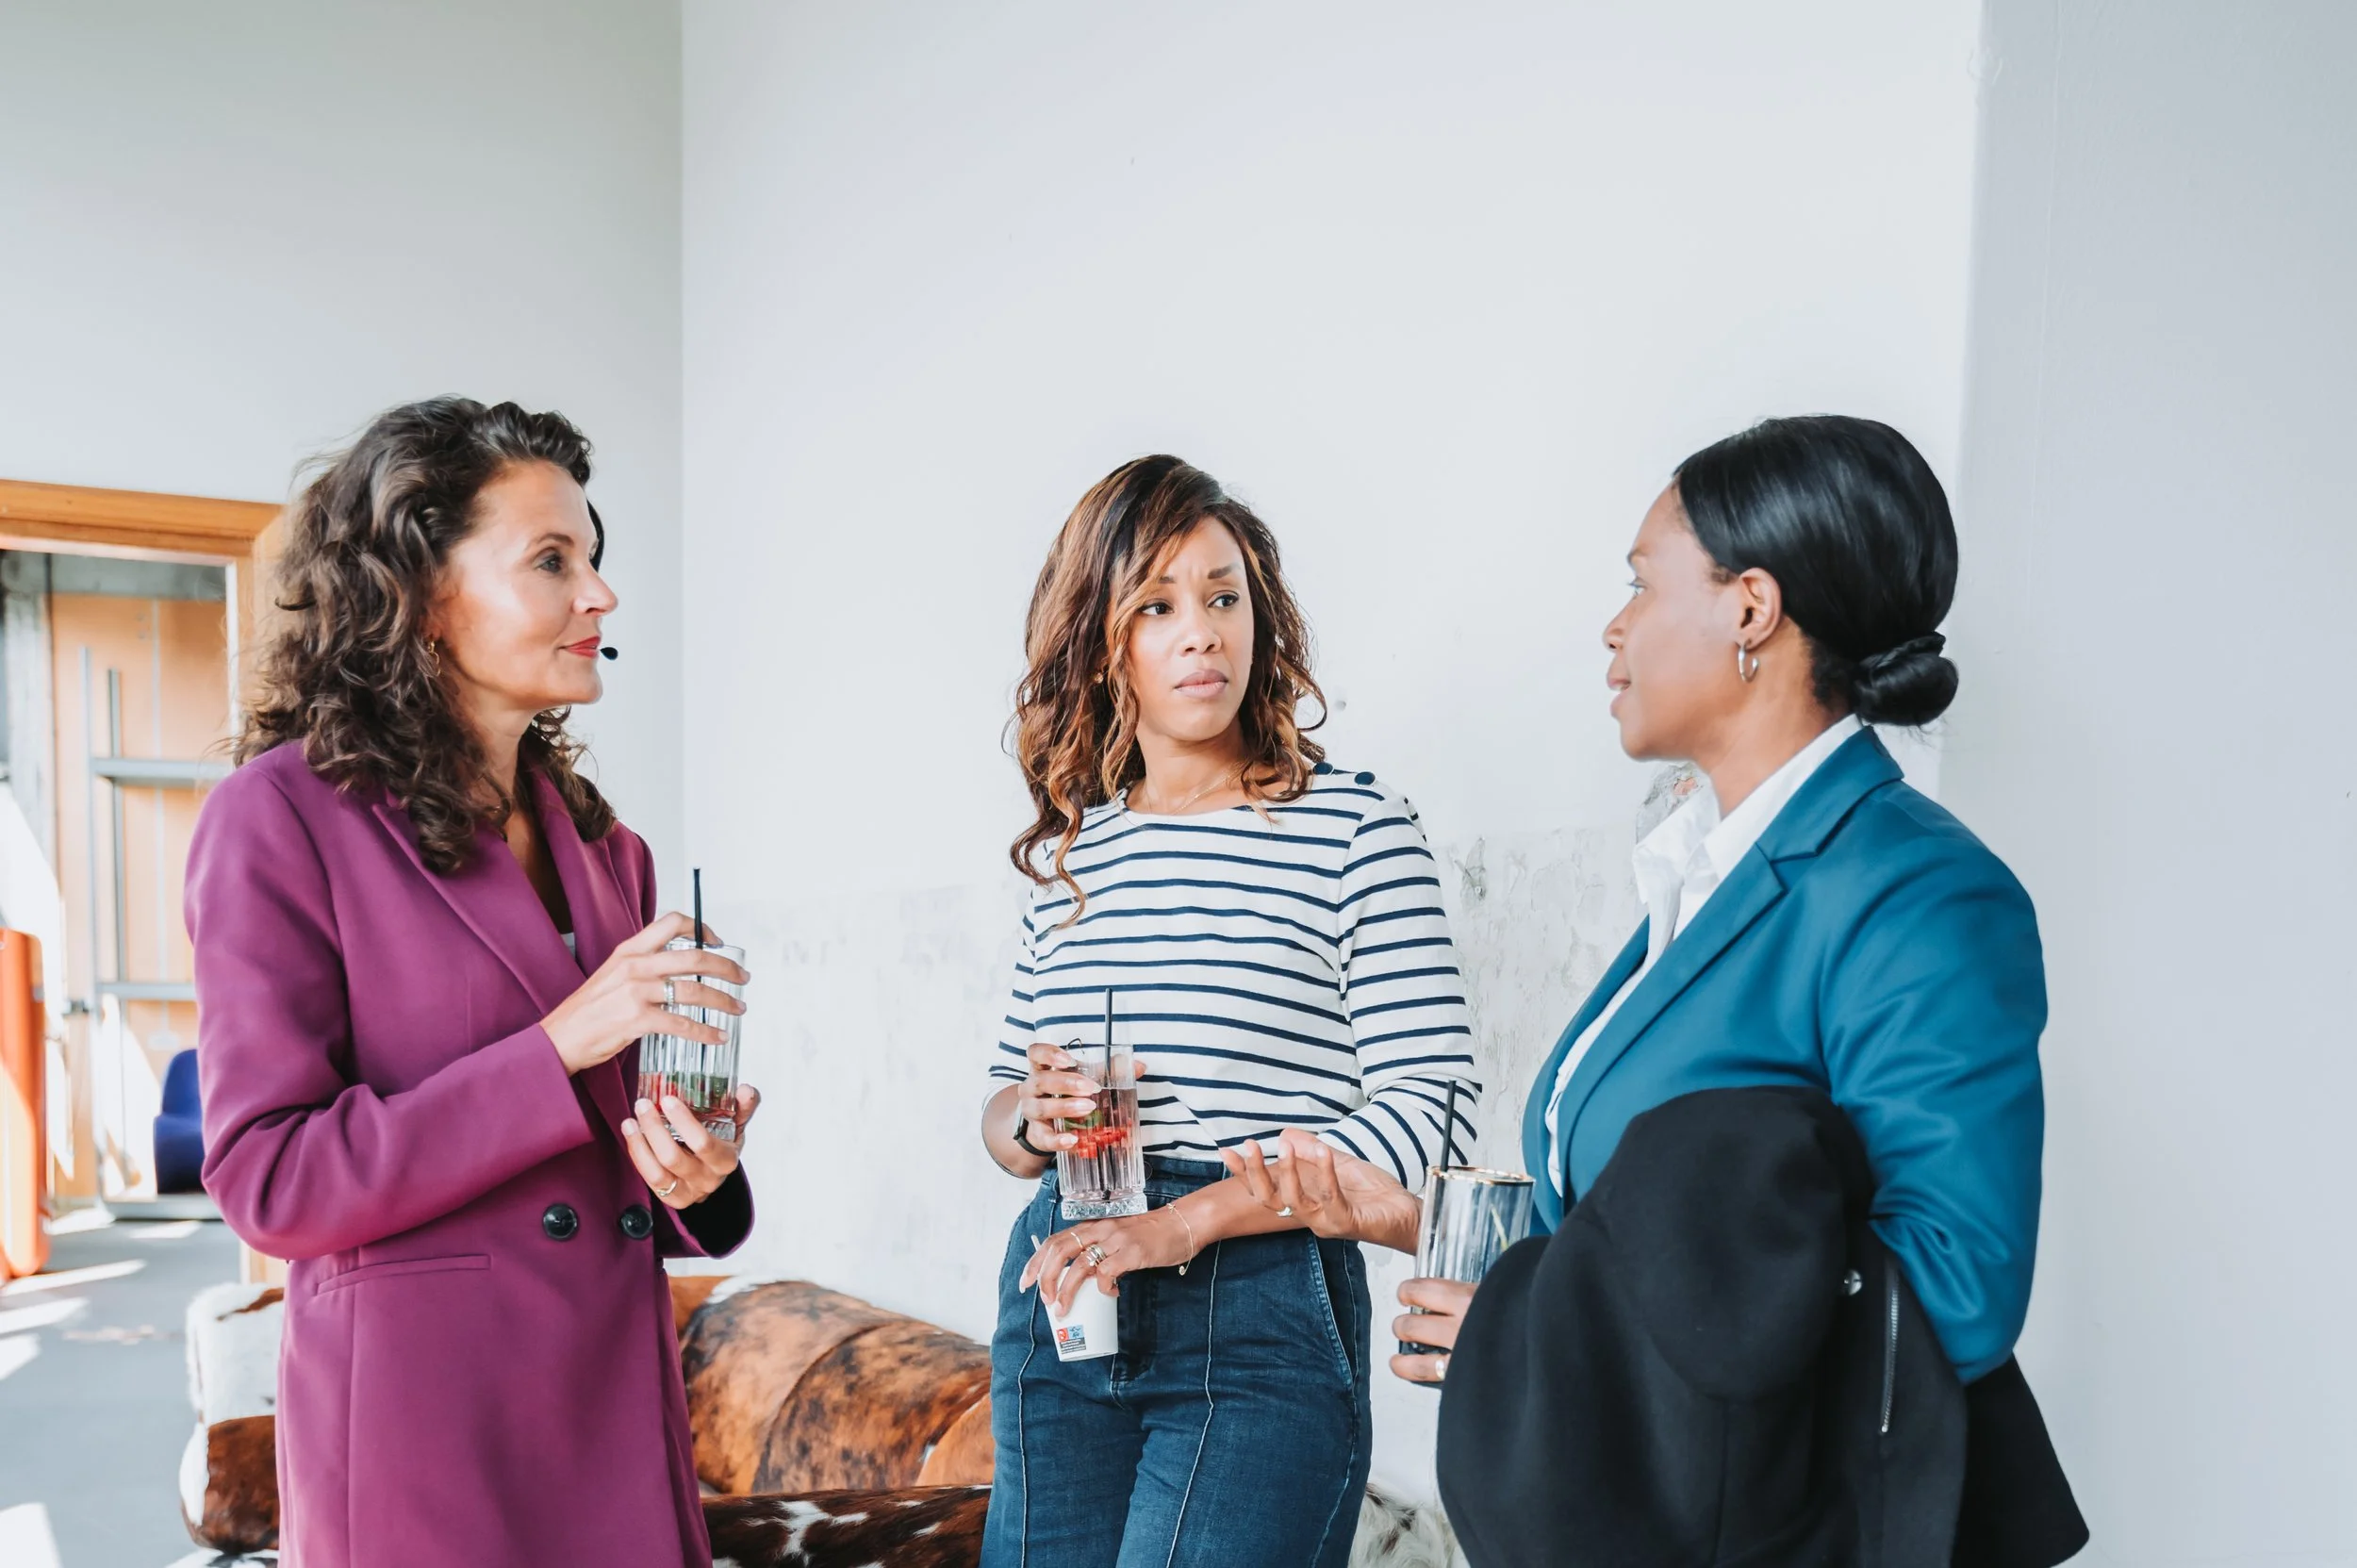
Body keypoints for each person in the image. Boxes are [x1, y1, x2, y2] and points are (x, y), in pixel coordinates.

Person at [1229, 417, 2074, 1560]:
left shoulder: (1919, 891)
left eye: (1639, 584)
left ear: (1750, 610)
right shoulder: (1697, 873)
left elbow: (1948, 1292)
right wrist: (1416, 1224)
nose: (1612, 626)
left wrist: (1548, 1341)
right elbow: (1652, 1227)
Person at [187, 398, 759, 1567]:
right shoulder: (279, 818)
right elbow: (270, 1178)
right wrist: (556, 1048)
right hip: (423, 1439)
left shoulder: (611, 847)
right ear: (422, 593)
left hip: (613, 1410)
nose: (597, 596)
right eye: (552, 561)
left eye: (593, 560)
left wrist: (697, 1169)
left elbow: (629, 1163)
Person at [978, 455, 1482, 1568]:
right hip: (1063, 1285)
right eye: (1155, 605)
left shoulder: (1355, 827)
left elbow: (1428, 1120)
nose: (1199, 631)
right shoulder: (1072, 853)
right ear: (1099, 641)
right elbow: (1002, 1114)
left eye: (1221, 595)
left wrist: (1184, 1225)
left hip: (1259, 1306)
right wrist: (1034, 1112)